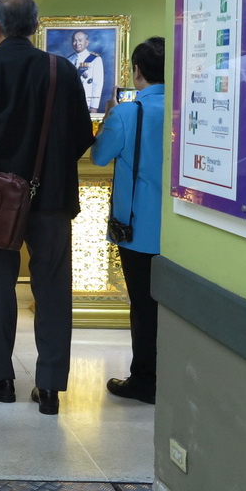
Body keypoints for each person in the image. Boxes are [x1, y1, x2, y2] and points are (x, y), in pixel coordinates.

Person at [0, 0, 94, 416]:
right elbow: (82, 135)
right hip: (53, 198)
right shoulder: (61, 69)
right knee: (53, 288)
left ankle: (1, 378)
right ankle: (49, 387)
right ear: (36, 26)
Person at [91, 36, 165, 404]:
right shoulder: (186, 109)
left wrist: (108, 116)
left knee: (144, 306)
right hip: (183, 231)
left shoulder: (127, 113)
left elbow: (99, 157)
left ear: (137, 72)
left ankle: (145, 380)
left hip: (138, 227)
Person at [67, 30, 104, 113]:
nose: (77, 43)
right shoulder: (68, 60)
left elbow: (97, 84)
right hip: (70, 103)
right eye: (74, 40)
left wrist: (94, 106)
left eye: (80, 40)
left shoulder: (95, 59)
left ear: (86, 43)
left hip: (87, 103)